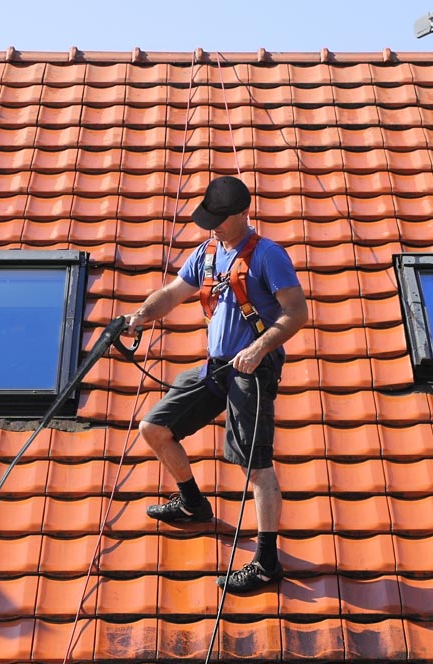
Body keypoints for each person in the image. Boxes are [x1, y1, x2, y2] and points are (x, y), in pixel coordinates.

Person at [124, 175, 308, 594]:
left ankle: (266, 561)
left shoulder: (268, 256)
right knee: (154, 427)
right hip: (217, 366)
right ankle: (192, 502)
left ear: (244, 213)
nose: (213, 227)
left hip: (252, 371)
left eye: (220, 219)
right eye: (210, 219)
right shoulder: (207, 253)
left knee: (254, 465)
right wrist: (141, 315)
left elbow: (296, 313)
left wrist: (260, 349)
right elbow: (172, 294)